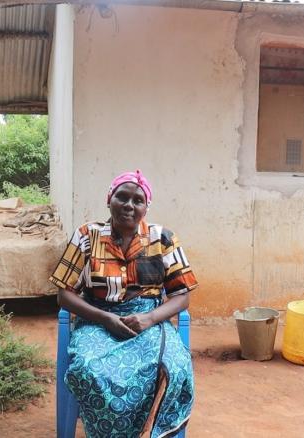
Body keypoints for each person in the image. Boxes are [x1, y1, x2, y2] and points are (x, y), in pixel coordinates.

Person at [50, 170, 199, 438]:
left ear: (145, 207)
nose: (129, 205)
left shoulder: (162, 239)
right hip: (97, 320)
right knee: (87, 368)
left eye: (137, 200)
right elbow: (64, 295)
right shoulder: (86, 236)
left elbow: (182, 295)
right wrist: (105, 319)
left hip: (148, 321)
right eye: (122, 197)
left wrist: (149, 319)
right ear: (110, 199)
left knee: (173, 366)